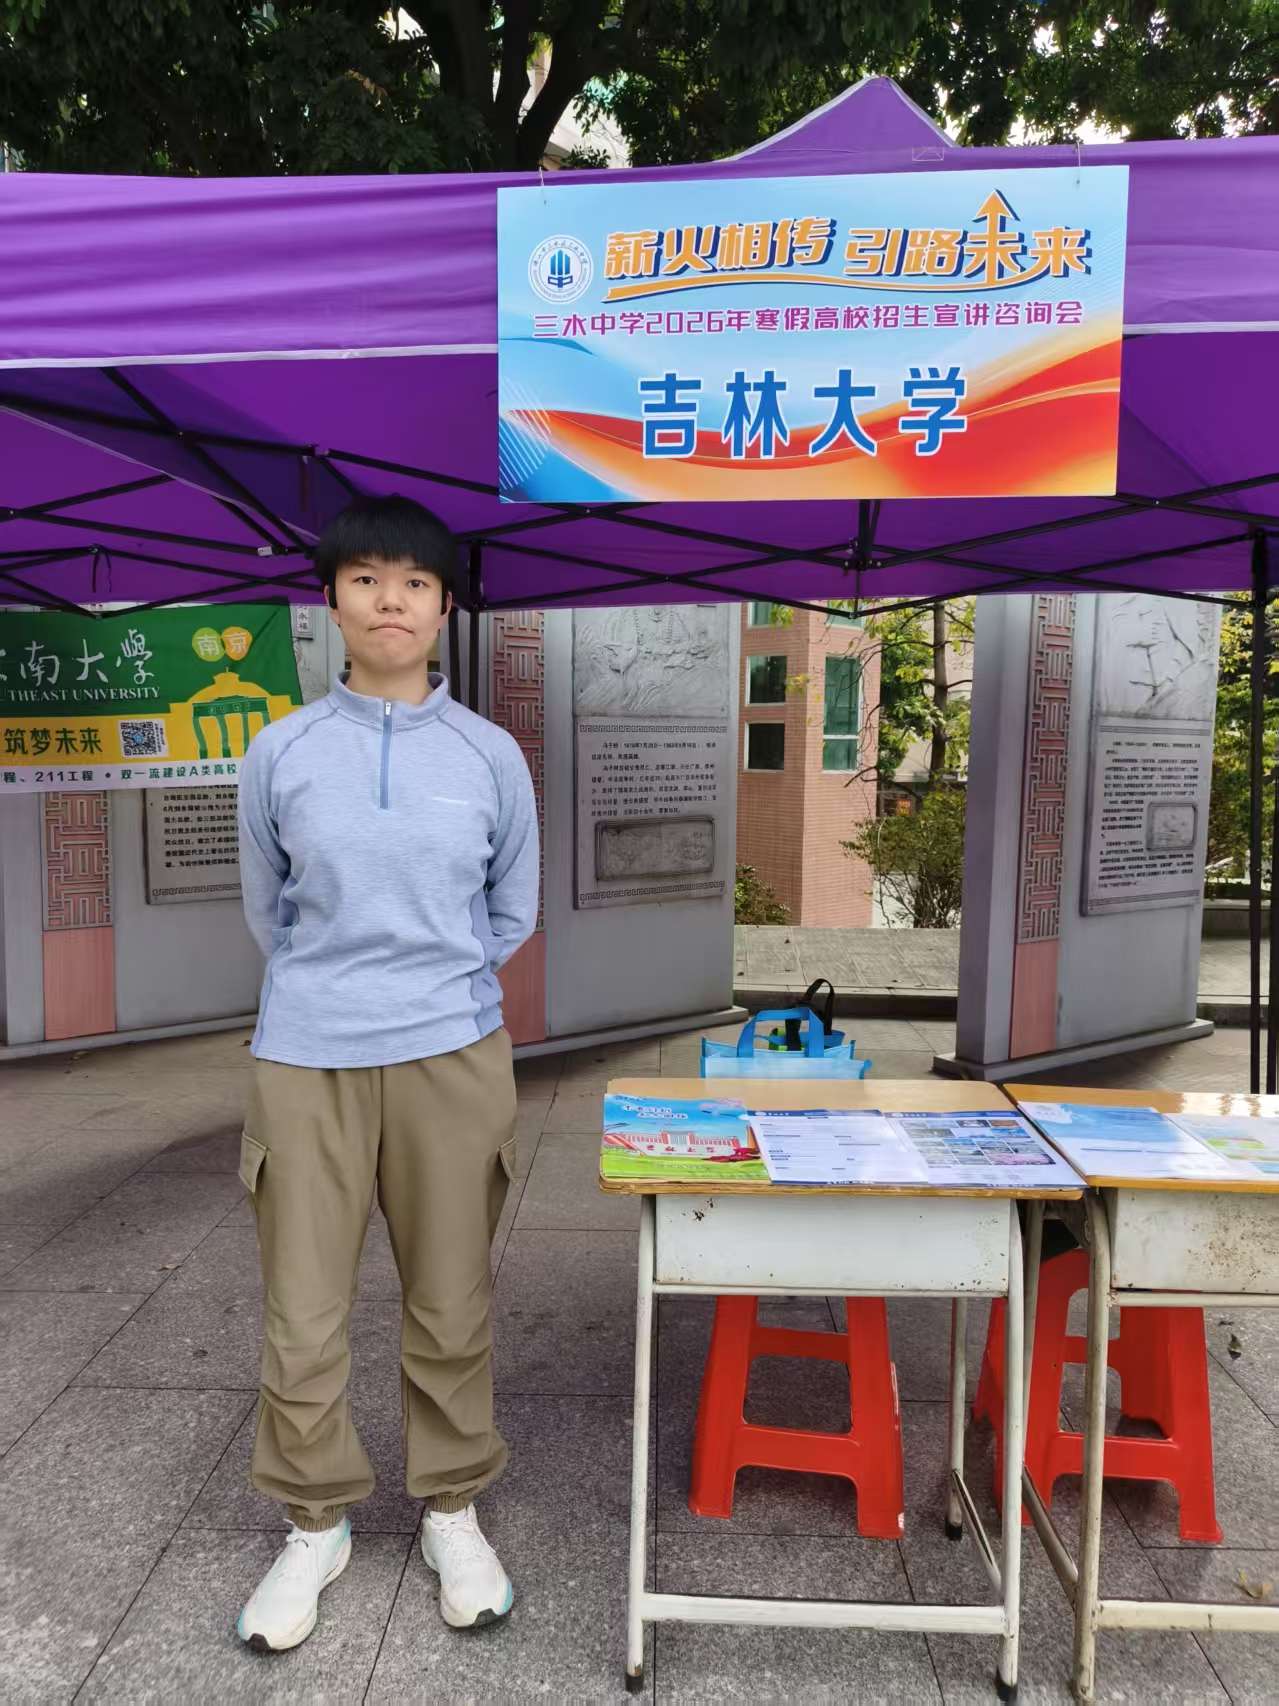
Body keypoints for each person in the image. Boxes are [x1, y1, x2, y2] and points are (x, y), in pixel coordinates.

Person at [233, 495, 539, 1652]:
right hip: (306, 1057)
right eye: (365, 578)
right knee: (302, 1311)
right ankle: (315, 1522)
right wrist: (337, 989)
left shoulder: (488, 753)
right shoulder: (281, 750)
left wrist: (432, 986)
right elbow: (268, 908)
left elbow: (510, 907)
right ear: (332, 600)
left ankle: (450, 1507)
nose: (390, 600)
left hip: (451, 1053)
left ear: (444, 605)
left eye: (414, 581)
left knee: (450, 1299)